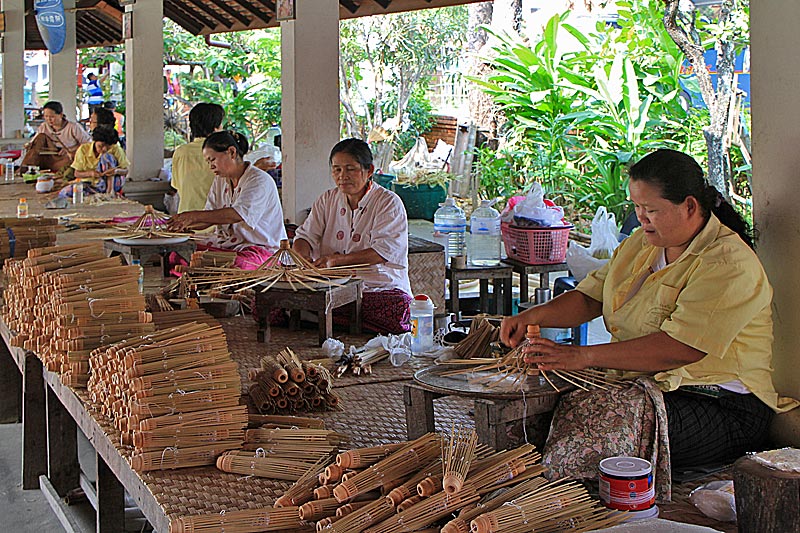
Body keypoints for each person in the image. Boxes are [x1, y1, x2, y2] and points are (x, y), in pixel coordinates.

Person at [500, 148, 798, 500]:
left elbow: (679, 348)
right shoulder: (641, 244)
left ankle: (566, 502)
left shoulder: (728, 263)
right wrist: (532, 316)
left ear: (690, 206)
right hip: (648, 388)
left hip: (721, 406)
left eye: (652, 210)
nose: (642, 218)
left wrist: (583, 356)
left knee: (600, 424)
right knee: (542, 408)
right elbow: (591, 296)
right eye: (637, 208)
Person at [292, 138, 412, 334]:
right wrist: (302, 260)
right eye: (336, 169)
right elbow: (304, 237)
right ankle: (329, 317)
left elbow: (383, 252)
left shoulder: (388, 203)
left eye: (350, 169)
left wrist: (335, 261)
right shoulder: (327, 200)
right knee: (271, 301)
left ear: (369, 170)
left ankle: (319, 317)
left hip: (375, 286)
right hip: (330, 285)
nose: (342, 176)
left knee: (396, 307)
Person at [166, 130, 286, 269]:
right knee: (178, 254)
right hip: (229, 246)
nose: (211, 166)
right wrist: (183, 226)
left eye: (212, 160)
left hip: (261, 250)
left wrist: (192, 216)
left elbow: (237, 214)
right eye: (208, 162)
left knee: (237, 265)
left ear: (232, 152)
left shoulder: (259, 180)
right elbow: (208, 217)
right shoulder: (220, 181)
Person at [171, 103, 225, 213]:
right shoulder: (224, 153)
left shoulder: (181, 152)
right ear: (216, 128)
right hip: (215, 223)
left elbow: (176, 185)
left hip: (186, 220)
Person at [59, 125, 128, 197]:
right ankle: (97, 194)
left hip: (112, 183)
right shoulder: (83, 149)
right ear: (94, 141)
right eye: (101, 145)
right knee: (65, 192)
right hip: (91, 184)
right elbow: (77, 173)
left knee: (106, 156)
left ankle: (110, 192)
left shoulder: (116, 149)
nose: (104, 149)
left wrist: (115, 171)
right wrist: (91, 173)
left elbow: (125, 170)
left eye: (108, 146)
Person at [22, 101, 91, 171]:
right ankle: (26, 168)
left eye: (52, 117)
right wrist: (29, 145)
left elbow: (88, 144)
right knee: (41, 136)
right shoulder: (44, 126)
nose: (49, 119)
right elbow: (35, 141)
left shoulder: (73, 127)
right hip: (48, 156)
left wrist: (72, 150)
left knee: (68, 162)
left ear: (61, 115)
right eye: (46, 116)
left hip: (65, 158)